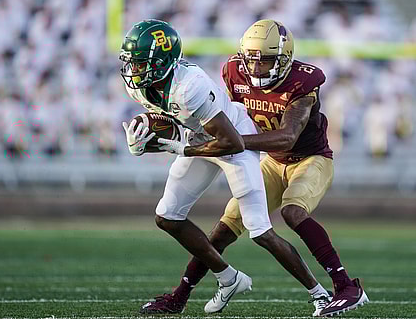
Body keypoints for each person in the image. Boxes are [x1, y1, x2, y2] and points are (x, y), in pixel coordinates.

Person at [139, 19, 369, 317]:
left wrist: (230, 142)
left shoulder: (303, 83)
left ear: (285, 59)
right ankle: (179, 296)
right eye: (252, 60)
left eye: (267, 61)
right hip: (271, 160)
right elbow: (229, 115)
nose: (257, 68)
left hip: (310, 158)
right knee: (224, 229)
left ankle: (347, 286)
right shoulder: (234, 72)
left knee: (292, 212)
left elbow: (287, 137)